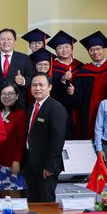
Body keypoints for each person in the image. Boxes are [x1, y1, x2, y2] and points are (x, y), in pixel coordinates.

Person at [67, 31, 107, 140]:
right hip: (89, 115)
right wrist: (71, 94)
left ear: (104, 50)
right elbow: (78, 99)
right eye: (91, 50)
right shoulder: (83, 72)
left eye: (98, 49)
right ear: (88, 52)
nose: (95, 52)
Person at [23, 73, 68, 202]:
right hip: (31, 162)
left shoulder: (56, 108)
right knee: (32, 200)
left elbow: (58, 140)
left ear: (50, 87)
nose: (37, 88)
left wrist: (50, 165)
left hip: (46, 165)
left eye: (41, 85)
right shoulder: (32, 106)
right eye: (34, 85)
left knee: (45, 201)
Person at [46, 30, 82, 138]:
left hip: (78, 108)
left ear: (71, 48)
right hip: (59, 107)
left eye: (67, 46)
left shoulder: (80, 66)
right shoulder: (51, 66)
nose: (64, 50)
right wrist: (63, 79)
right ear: (55, 50)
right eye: (60, 47)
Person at [0, 82, 27, 197]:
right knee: (2, 198)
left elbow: (21, 140)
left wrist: (17, 161)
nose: (7, 97)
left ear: (17, 96)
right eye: (4, 94)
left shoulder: (20, 114)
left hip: (12, 163)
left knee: (14, 198)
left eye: (10, 94)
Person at [0, 28, 35, 95]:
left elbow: (32, 79)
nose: (6, 42)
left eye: (9, 39)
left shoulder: (25, 58)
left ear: (15, 41)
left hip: (18, 98)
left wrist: (23, 80)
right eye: (2, 39)